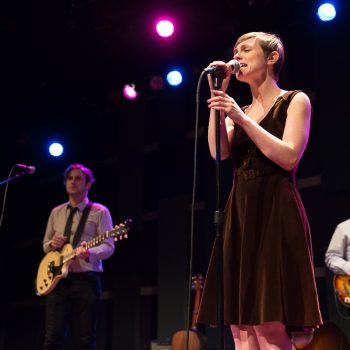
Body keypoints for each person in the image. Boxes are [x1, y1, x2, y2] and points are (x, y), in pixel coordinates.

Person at [196, 32, 323, 350]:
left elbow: (289, 155)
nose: (237, 54)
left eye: (245, 49)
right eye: (235, 49)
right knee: (242, 330)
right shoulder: (238, 110)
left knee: (269, 327)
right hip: (240, 213)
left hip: (275, 209)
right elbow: (219, 153)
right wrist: (218, 101)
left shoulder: (295, 100)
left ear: (272, 57)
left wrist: (238, 115)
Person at [42, 163, 115, 350]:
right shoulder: (55, 212)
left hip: (87, 279)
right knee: (52, 338)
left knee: (85, 340)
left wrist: (90, 253)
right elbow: (45, 245)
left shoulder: (100, 211)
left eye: (78, 178)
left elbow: (109, 246)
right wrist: (53, 245)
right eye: (69, 178)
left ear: (88, 184)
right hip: (58, 281)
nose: (72, 181)